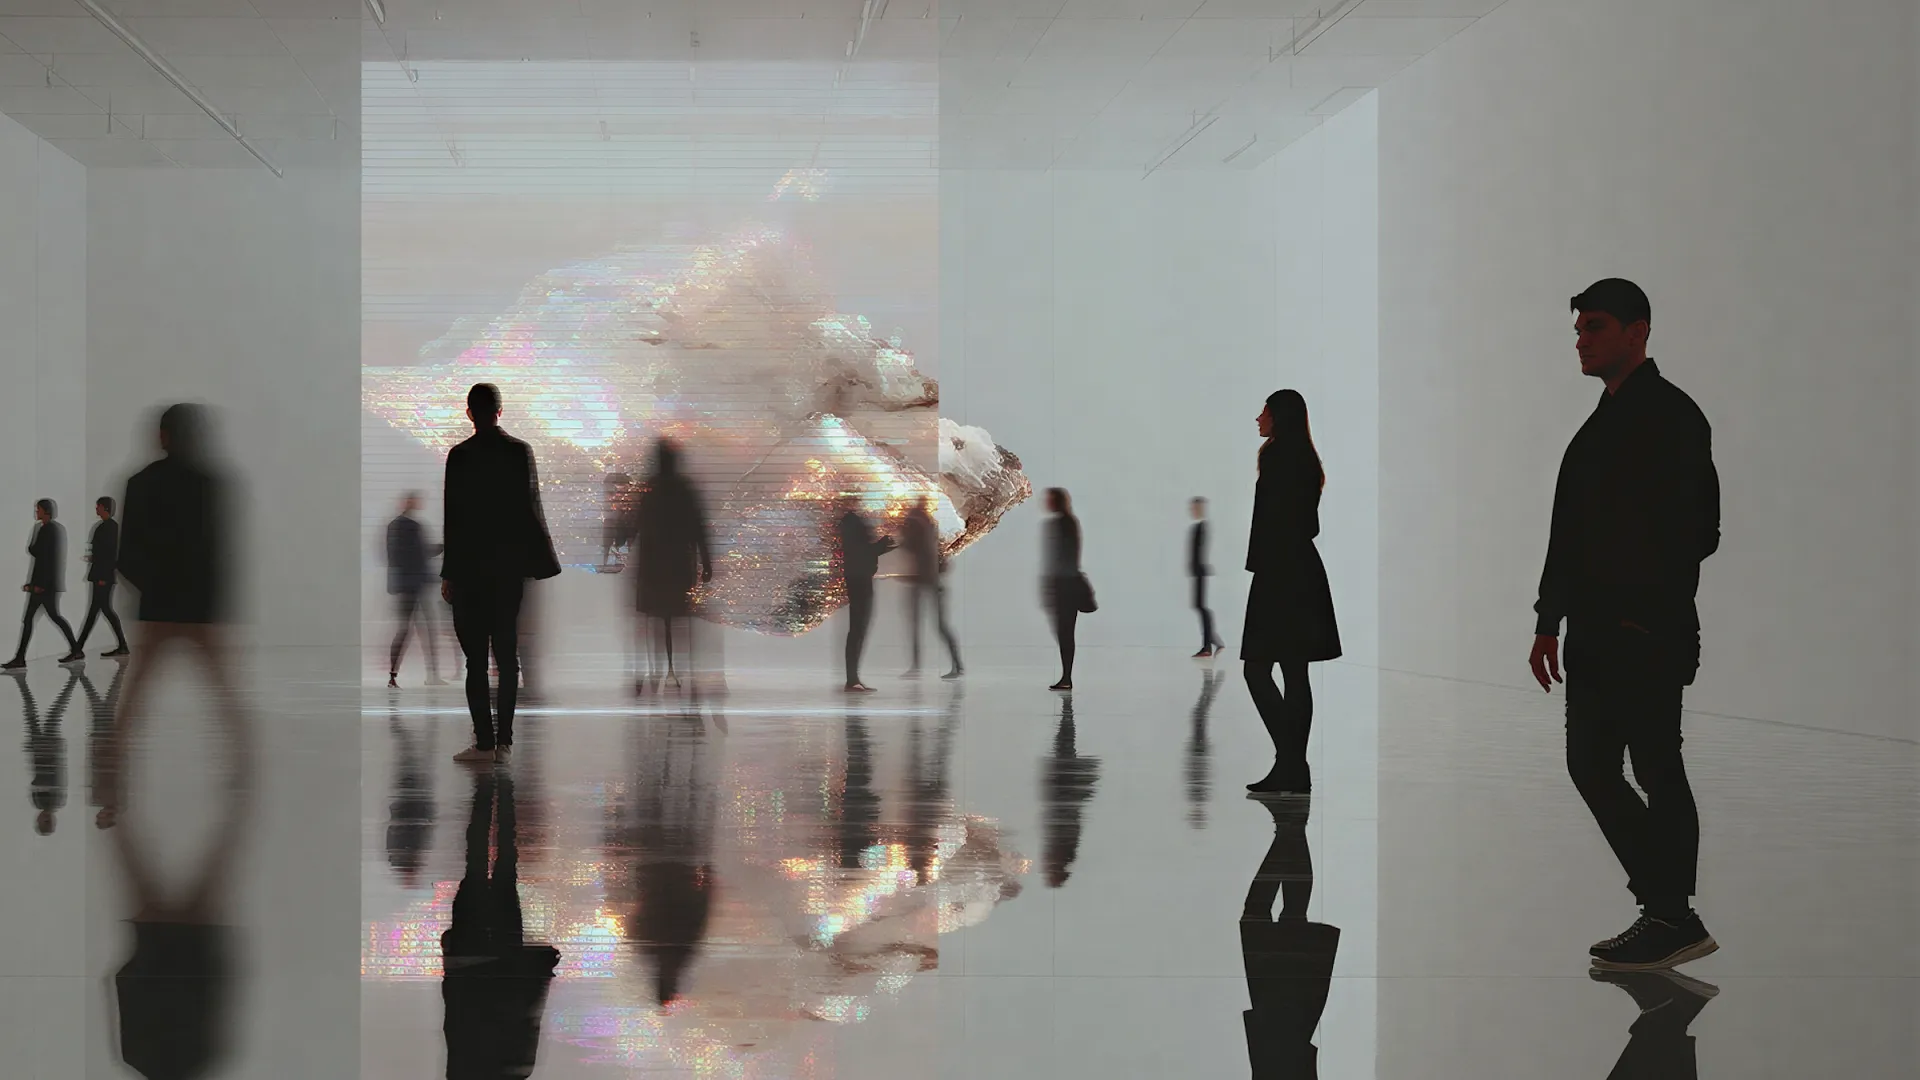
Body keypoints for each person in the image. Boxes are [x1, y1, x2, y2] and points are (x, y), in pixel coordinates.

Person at [1530, 278, 1721, 972]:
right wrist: (1548, 620)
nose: (1581, 339)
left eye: (1596, 327)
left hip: (1645, 629)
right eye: (1578, 329)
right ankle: (1671, 910)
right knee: (1591, 766)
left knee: (1656, 768)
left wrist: (1639, 602)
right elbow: (1565, 534)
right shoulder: (1594, 430)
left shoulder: (1674, 416)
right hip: (1594, 633)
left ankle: (1667, 913)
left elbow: (1701, 529)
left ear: (1638, 332)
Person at [98, 403, 249, 828]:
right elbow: (222, 554)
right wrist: (216, 605)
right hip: (202, 610)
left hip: (160, 608)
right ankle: (241, 772)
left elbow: (126, 555)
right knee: (224, 697)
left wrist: (154, 589)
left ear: (163, 435)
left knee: (133, 700)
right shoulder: (213, 484)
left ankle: (110, 779)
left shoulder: (141, 482)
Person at [441, 383, 561, 766]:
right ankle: (505, 744)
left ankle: (484, 743)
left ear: (469, 412)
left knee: (475, 661)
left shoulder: (459, 456)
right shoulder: (519, 452)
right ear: (500, 411)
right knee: (506, 657)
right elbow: (531, 508)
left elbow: (454, 521)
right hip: (507, 573)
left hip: (471, 573)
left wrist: (450, 574)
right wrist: (538, 563)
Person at [1242, 390, 1342, 796]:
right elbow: (1308, 524)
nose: (1257, 418)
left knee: (1258, 669)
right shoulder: (1304, 458)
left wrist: (1264, 565)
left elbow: (1273, 520)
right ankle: (1292, 768)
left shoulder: (1278, 456)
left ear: (1278, 415)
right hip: (1300, 570)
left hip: (1279, 573)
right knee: (1294, 672)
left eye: (1263, 410)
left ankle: (1291, 764)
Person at [441, 769, 560, 1075]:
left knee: (505, 869)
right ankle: (488, 791)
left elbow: (526, 1019)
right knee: (477, 865)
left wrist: (541, 972)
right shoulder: (462, 1074)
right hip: (466, 961)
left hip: (502, 962)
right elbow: (454, 1019)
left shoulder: (516, 1070)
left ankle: (501, 793)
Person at [1239, 796, 1338, 1078]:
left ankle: (1290, 829)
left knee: (1289, 916)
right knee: (1262, 914)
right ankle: (1288, 830)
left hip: (1288, 1023)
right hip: (1279, 1027)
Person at [631, 441, 712, 693]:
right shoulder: (684, 490)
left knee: (658, 619)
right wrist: (706, 560)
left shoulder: (649, 489)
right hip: (677, 564)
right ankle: (677, 670)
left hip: (653, 565)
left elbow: (636, 524)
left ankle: (659, 670)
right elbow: (699, 527)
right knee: (678, 618)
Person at [5, 499, 82, 669]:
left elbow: (47, 558)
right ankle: (75, 650)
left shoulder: (48, 530)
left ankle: (20, 658)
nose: (36, 512)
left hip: (44, 585)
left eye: (38, 509)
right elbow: (40, 555)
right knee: (46, 617)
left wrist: (39, 585)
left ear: (45, 511)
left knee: (42, 618)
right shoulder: (47, 529)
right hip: (44, 584)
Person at [835, 496, 895, 693]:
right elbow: (860, 552)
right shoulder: (851, 522)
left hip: (858, 577)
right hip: (859, 578)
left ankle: (853, 678)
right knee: (858, 628)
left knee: (859, 629)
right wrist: (882, 545)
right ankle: (852, 680)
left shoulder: (850, 521)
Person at [385, 492, 445, 688]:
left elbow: (394, 557)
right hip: (417, 585)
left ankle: (394, 674)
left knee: (406, 628)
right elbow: (422, 552)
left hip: (405, 585)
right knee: (427, 629)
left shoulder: (393, 526)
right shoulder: (412, 526)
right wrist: (444, 547)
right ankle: (432, 674)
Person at [900, 494, 961, 679]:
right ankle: (954, 665)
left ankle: (922, 666)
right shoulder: (929, 525)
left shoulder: (919, 524)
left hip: (925, 579)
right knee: (933, 624)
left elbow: (912, 547)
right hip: (929, 580)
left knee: (926, 624)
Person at [1040, 488, 1085, 691]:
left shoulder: (1060, 523)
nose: (1046, 503)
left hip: (1064, 587)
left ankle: (1067, 677)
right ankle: (1066, 677)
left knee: (1065, 634)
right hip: (1067, 585)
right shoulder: (1069, 522)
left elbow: (1062, 559)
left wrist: (1052, 585)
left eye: (1049, 500)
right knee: (1066, 634)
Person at [77, 496, 130, 658]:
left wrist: (104, 577)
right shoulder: (105, 527)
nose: (96, 509)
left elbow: (111, 555)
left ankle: (77, 649)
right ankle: (121, 645)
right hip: (101, 575)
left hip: (103, 576)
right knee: (101, 611)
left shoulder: (110, 528)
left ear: (104, 508)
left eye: (98, 506)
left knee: (100, 611)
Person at [1189, 497, 1225, 658]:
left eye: (1195, 507)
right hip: (1198, 572)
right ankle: (1212, 642)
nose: (1192, 510)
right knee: (1200, 606)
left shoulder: (1202, 527)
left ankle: (1208, 645)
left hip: (1200, 572)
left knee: (1201, 606)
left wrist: (1199, 568)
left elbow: (1200, 552)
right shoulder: (1199, 527)